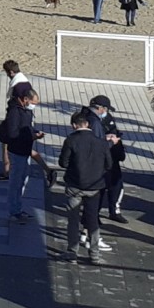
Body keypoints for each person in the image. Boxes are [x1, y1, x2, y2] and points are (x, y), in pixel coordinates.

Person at [57, 109, 111, 263]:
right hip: (94, 187)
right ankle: (94, 254)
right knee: (92, 220)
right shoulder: (101, 142)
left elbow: (63, 163)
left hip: (75, 185)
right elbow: (109, 164)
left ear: (74, 125)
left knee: (73, 220)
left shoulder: (71, 140)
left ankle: (72, 252)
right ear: (87, 124)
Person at [2, 83, 44, 221]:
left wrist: (34, 132)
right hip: (17, 151)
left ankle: (17, 208)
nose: (34, 106)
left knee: (21, 181)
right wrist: (31, 136)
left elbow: (26, 127)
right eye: (33, 103)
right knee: (16, 182)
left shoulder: (26, 111)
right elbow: (13, 133)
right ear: (26, 99)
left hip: (24, 150)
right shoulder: (15, 112)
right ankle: (13, 211)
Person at [88, 96, 128, 221]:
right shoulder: (91, 120)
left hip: (113, 156)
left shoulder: (108, 118)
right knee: (99, 188)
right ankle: (95, 214)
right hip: (100, 159)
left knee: (117, 185)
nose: (106, 112)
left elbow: (113, 130)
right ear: (100, 108)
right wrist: (107, 139)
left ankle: (114, 210)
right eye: (105, 109)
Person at [0, 62, 22, 178]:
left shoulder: (18, 86)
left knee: (6, 146)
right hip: (16, 122)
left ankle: (7, 172)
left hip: (13, 123)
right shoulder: (21, 82)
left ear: (11, 72)